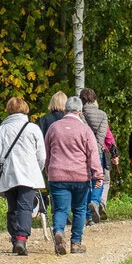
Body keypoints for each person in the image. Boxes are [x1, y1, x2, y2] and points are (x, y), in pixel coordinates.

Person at [0, 97, 47, 255]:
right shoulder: (33, 128)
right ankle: (21, 238)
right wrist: (37, 169)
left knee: (12, 208)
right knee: (25, 206)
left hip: (9, 175)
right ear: (25, 109)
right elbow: (42, 155)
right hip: (28, 174)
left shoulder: (1, 129)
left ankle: (15, 239)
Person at [45, 96, 104, 255]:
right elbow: (93, 154)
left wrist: (48, 170)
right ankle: (76, 243)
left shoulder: (53, 128)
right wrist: (98, 175)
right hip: (80, 177)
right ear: (79, 112)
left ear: (65, 110)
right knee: (79, 209)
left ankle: (59, 232)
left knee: (60, 209)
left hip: (57, 175)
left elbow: (47, 153)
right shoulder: (85, 130)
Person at [79, 88, 110, 223]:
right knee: (98, 180)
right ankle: (95, 202)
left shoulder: (80, 115)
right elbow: (101, 136)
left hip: (82, 152)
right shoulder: (102, 115)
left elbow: (84, 133)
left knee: (85, 183)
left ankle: (88, 216)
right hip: (98, 152)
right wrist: (96, 150)